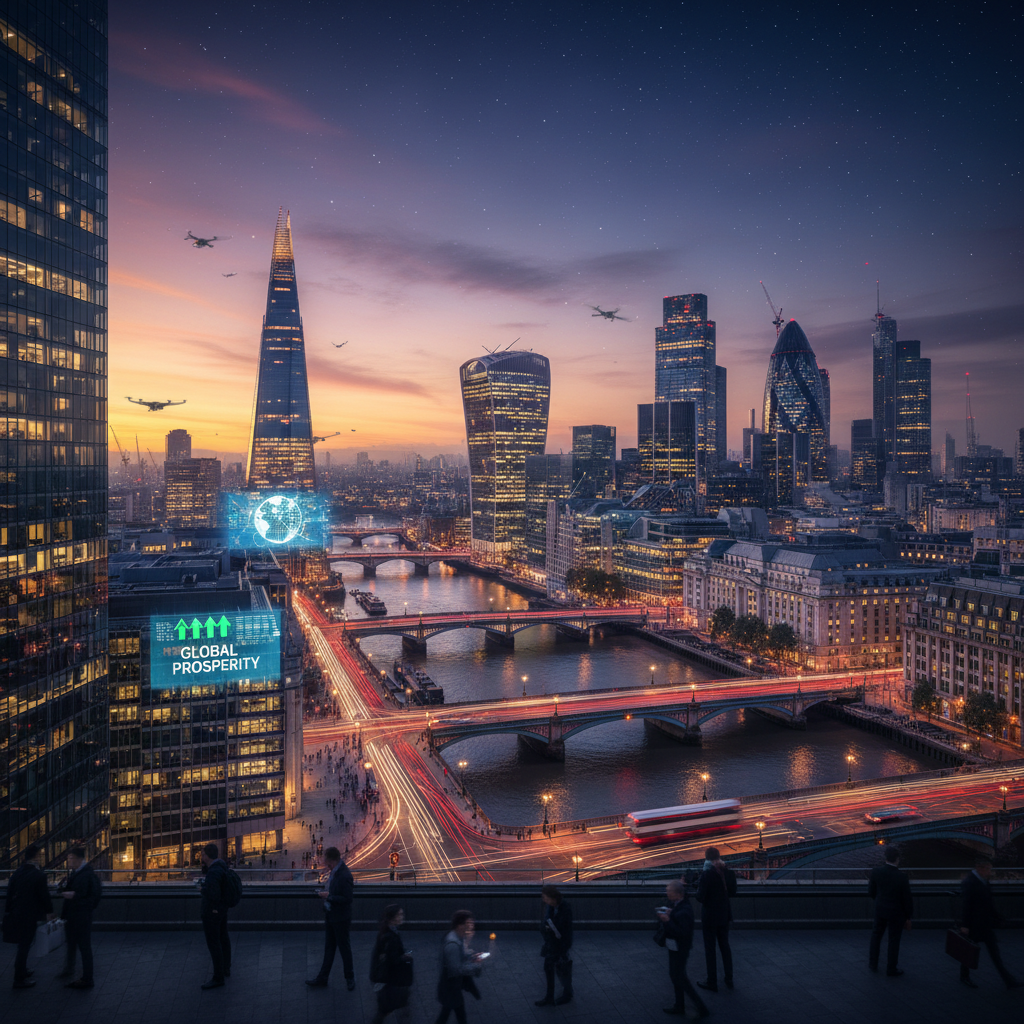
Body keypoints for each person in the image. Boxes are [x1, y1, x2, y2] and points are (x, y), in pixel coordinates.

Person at [959, 857, 1022, 989]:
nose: (990, 872)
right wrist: (965, 925)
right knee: (975, 953)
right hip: (974, 925)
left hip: (982, 924)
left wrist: (998, 917)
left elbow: (986, 903)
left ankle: (1008, 980)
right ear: (980, 868)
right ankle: (965, 976)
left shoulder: (979, 880)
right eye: (988, 869)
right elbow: (966, 905)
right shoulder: (971, 882)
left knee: (986, 953)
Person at [4, 843, 53, 990]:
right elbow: (44, 896)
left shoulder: (17, 873)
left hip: (17, 913)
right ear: (36, 857)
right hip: (30, 915)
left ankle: (22, 971)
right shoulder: (39, 875)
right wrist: (49, 912)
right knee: (24, 946)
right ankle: (19, 978)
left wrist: (9, 911)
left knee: (22, 945)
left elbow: (9, 894)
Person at [658, 880, 709, 1019]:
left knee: (680, 978)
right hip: (675, 946)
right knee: (676, 976)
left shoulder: (684, 910)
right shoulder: (678, 904)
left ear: (678, 894)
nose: (667, 894)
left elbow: (680, 932)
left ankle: (700, 1008)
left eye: (669, 892)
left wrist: (667, 920)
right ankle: (680, 1005)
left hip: (680, 947)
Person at [307, 846, 356, 990]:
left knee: (344, 949)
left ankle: (350, 978)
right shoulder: (335, 871)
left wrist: (328, 896)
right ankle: (323, 978)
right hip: (331, 915)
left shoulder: (345, 875)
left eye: (325, 860)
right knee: (329, 948)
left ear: (331, 860)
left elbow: (347, 899)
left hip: (340, 918)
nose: (323, 862)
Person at [58, 845, 103, 989]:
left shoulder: (87, 875)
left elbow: (93, 898)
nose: (68, 861)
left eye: (70, 858)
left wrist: (74, 896)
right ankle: (71, 970)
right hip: (74, 916)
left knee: (84, 947)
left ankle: (87, 978)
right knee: (72, 944)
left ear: (78, 859)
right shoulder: (77, 873)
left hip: (81, 917)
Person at [866, 845, 912, 977]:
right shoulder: (902, 877)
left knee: (876, 936)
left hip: (880, 909)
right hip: (896, 912)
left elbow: (871, 892)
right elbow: (907, 898)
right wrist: (908, 916)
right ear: (897, 859)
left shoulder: (876, 872)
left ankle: (873, 964)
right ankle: (891, 968)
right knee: (893, 940)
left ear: (885, 858)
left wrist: (879, 901)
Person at [695, 847, 736, 992]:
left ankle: (712, 981)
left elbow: (700, 897)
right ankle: (729, 978)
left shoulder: (707, 874)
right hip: (724, 914)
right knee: (725, 946)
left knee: (710, 949)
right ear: (719, 857)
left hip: (710, 916)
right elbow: (733, 892)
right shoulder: (728, 872)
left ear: (706, 858)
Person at [435, 909, 484, 1024]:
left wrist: (472, 956)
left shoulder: (457, 937)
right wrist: (476, 966)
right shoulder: (452, 943)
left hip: (451, 987)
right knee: (454, 1014)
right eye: (469, 923)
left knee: (449, 1013)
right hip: (451, 988)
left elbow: (460, 954)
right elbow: (456, 969)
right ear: (460, 925)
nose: (472, 926)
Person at [370, 904, 413, 1023]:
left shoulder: (387, 931)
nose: (402, 916)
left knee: (387, 1005)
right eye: (400, 914)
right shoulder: (391, 937)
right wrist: (405, 957)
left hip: (386, 976)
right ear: (392, 918)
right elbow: (393, 960)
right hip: (389, 977)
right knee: (386, 1007)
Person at [199, 842, 231, 989]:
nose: (201, 857)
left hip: (212, 912)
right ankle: (226, 968)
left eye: (203, 854)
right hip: (222, 909)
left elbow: (213, 894)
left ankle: (218, 977)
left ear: (207, 856)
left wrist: (202, 889)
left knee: (214, 943)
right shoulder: (222, 866)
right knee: (223, 937)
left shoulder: (213, 872)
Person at [535, 884, 573, 1007]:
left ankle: (565, 994)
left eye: (545, 898)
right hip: (552, 943)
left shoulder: (565, 908)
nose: (544, 900)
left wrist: (550, 928)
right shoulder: (552, 906)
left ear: (552, 898)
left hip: (561, 944)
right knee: (550, 968)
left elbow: (563, 927)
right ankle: (552, 996)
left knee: (562, 969)